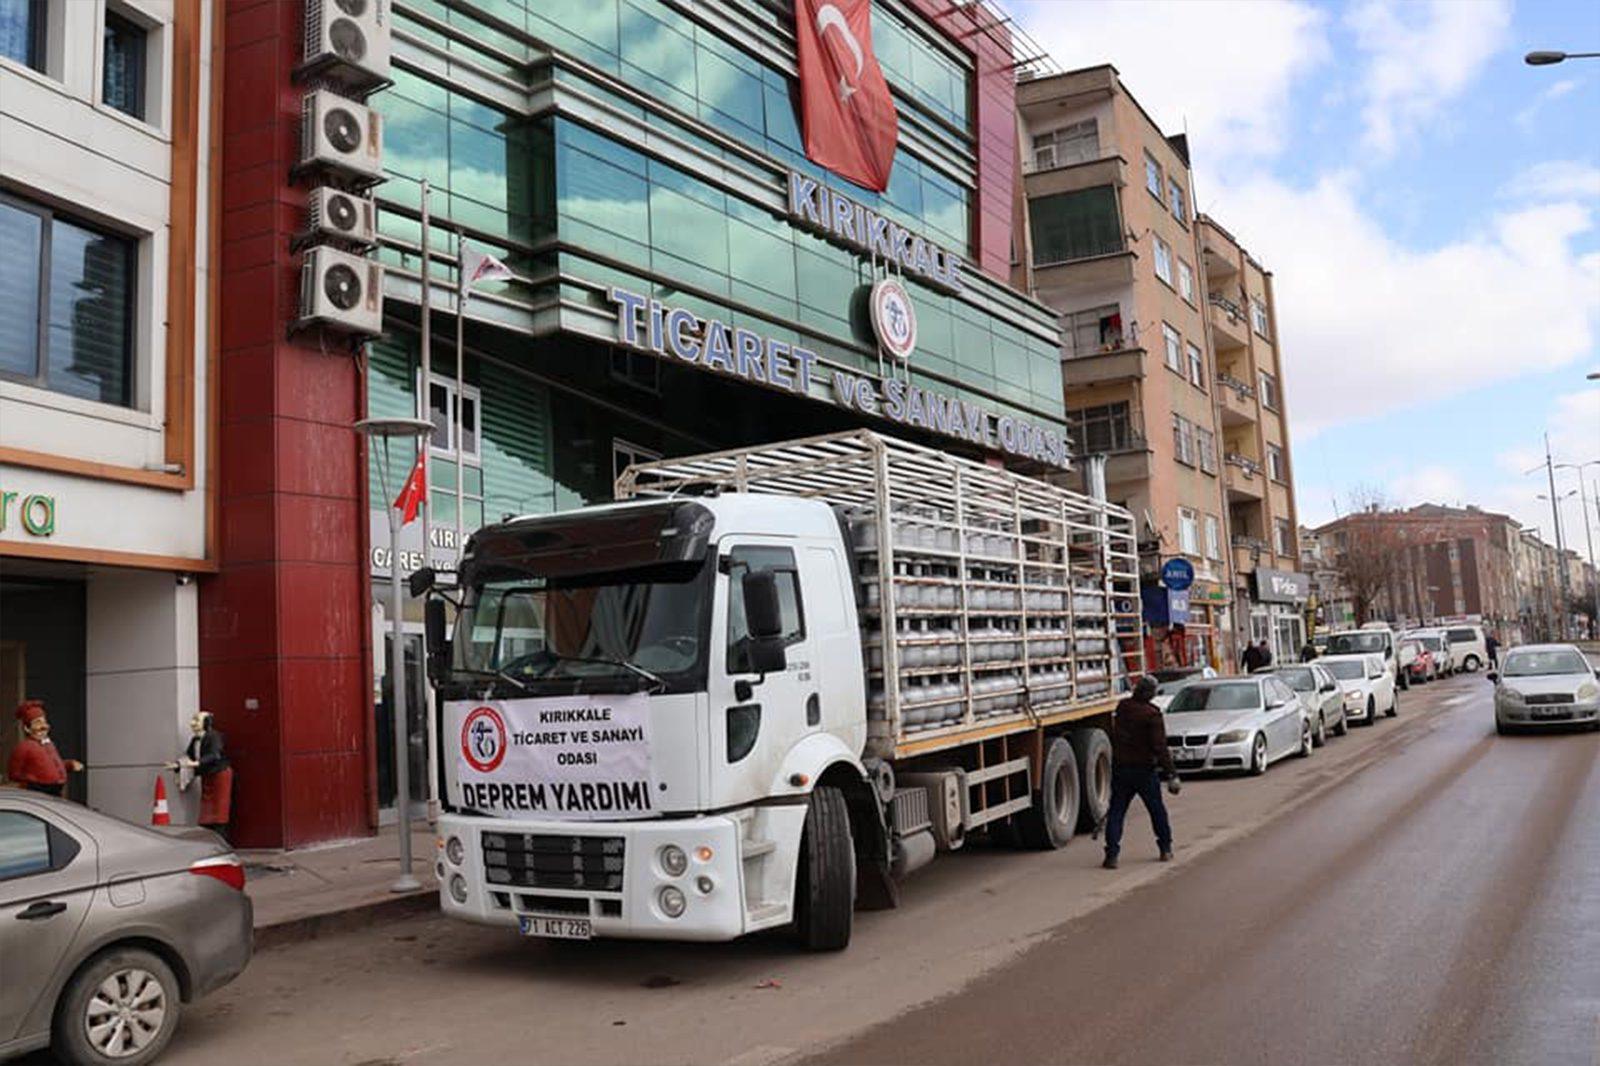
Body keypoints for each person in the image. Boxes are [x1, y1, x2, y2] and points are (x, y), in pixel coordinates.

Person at [1102, 675, 1178, 869]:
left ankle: (1111, 854)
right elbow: (1160, 747)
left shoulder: (1123, 707)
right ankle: (1165, 848)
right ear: (1150, 693)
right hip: (1144, 771)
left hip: (1122, 769)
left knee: (1117, 811)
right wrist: (1171, 774)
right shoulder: (1152, 715)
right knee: (1156, 810)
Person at [175, 711, 234, 841]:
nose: (192, 723)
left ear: (206, 723)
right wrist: (178, 765)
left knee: (219, 811)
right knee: (206, 811)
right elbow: (188, 755)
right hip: (207, 775)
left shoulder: (214, 736)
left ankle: (221, 838)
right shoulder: (195, 739)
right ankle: (208, 836)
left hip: (219, 775)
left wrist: (197, 763)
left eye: (196, 720)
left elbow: (214, 755)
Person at [6, 700, 84, 796]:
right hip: (38, 792)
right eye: (37, 723)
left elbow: (52, 765)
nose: (43, 726)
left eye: (44, 722)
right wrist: (30, 781)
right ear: (27, 728)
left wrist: (69, 765)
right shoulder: (24, 747)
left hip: (56, 792)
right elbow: (14, 774)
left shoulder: (48, 744)